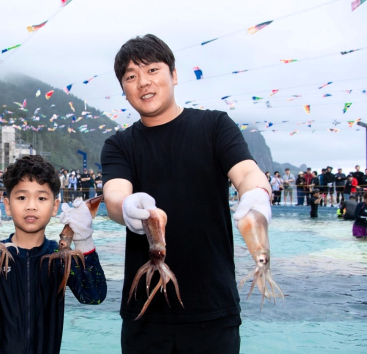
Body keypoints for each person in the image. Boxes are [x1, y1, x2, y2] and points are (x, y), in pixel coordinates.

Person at [101, 34, 272, 353]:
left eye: (152, 70)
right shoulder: (119, 145)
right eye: (131, 76)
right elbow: (114, 194)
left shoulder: (215, 126)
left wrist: (257, 193)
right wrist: (126, 206)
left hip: (213, 309)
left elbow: (246, 171)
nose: (143, 83)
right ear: (123, 90)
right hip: (145, 315)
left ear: (174, 75)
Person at [0, 155, 107, 354]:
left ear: (55, 206)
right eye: (21, 197)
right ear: (7, 205)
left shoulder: (60, 257)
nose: (31, 206)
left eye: (42, 198)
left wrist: (85, 242)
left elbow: (93, 296)